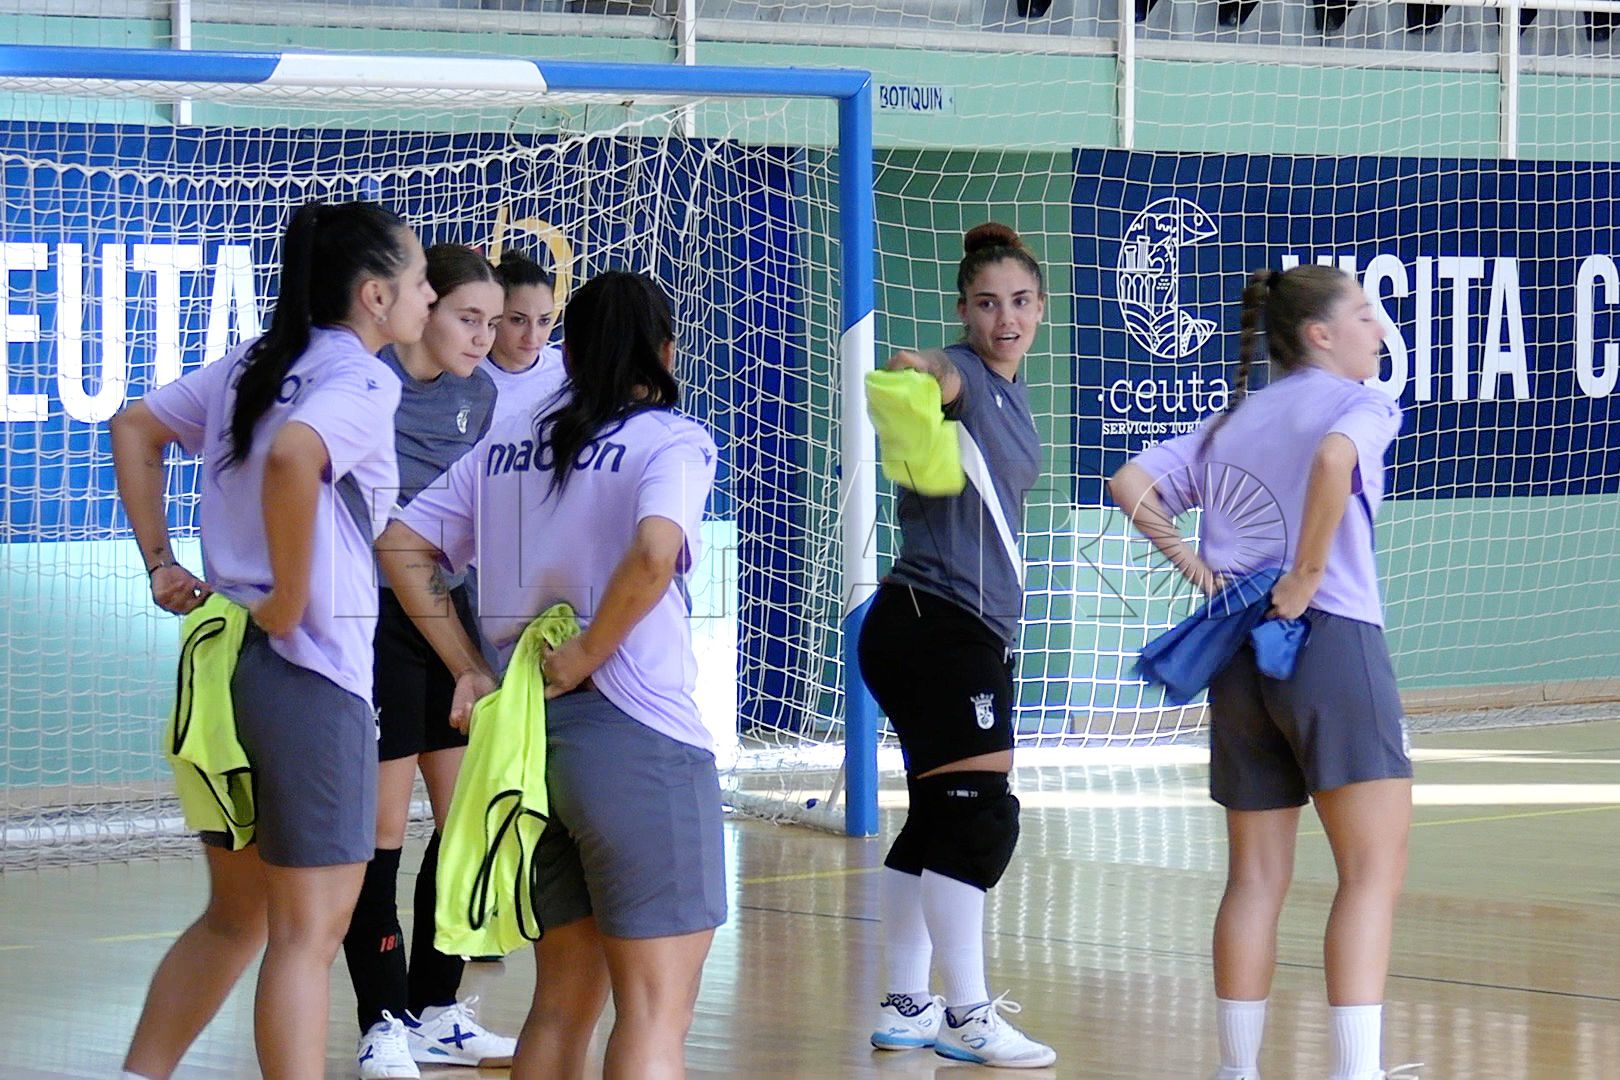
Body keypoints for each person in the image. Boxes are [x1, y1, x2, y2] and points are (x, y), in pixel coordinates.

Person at [110, 200, 432, 1080]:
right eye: (419, 281)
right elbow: (295, 457)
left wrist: (160, 563)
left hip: (221, 663)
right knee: (307, 932)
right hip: (304, 670)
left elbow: (134, 426)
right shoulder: (362, 378)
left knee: (238, 917)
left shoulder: (257, 361)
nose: (429, 296)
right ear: (374, 295)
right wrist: (292, 599)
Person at [377, 270, 725, 1080]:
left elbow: (399, 542)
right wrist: (589, 651)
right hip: (636, 735)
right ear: (666, 351)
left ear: (567, 354)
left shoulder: (506, 444)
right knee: (655, 1013)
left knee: (563, 1002)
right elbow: (655, 551)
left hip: (532, 740)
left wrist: (471, 668)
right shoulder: (670, 439)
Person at [1109, 264, 1413, 1080]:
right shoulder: (1361, 404)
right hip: (1329, 639)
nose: (1378, 329)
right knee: (1372, 872)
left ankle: (1237, 1070)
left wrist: (1199, 571)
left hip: (1238, 654)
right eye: (1364, 314)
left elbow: (1128, 482)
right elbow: (1334, 462)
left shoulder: (1232, 423)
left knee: (1253, 877)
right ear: (1320, 334)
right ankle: (1355, 1072)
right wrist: (1306, 575)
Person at [858, 222, 1056, 1069]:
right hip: (937, 625)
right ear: (964, 311)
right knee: (979, 820)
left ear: (1041, 307)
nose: (1005, 319)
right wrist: (918, 374)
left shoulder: (1013, 392)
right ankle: (967, 1016)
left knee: (940, 818)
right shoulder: (967, 374)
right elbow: (927, 371)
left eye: (1019, 302)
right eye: (986, 304)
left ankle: (907, 1004)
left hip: (939, 629)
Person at [342, 244, 517, 1078]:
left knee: (463, 823)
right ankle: (380, 1023)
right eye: (468, 318)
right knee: (381, 834)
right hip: (374, 621)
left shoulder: (481, 396)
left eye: (494, 322)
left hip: (449, 618)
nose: (485, 337)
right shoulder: (369, 386)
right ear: (424, 307)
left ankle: (435, 1011)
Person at [483, 249, 566, 426]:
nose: (532, 337)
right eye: (518, 320)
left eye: (544, 321)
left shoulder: (567, 373)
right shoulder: (466, 376)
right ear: (494, 315)